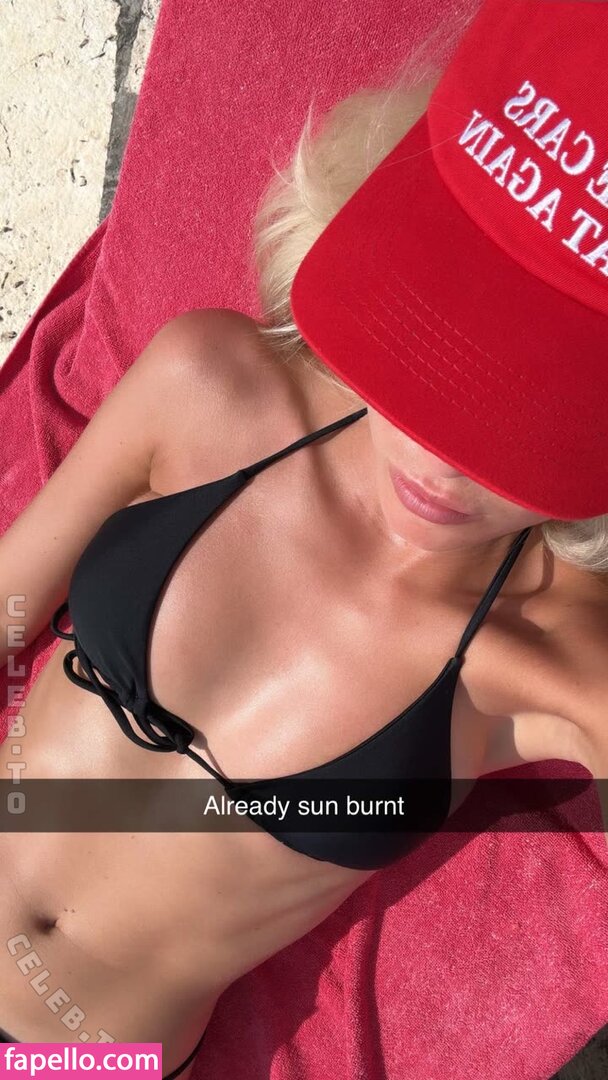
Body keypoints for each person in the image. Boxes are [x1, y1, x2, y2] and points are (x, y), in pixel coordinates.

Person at [1, 0, 607, 1076]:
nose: (437, 457)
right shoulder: (208, 383)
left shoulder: (557, 663)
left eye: (524, 413)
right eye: (430, 335)